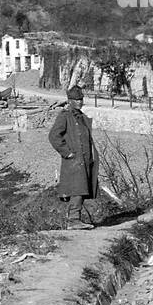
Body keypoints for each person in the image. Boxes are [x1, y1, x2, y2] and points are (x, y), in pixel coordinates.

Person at [49, 85, 99, 228]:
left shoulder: (81, 117)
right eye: (76, 99)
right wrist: (67, 152)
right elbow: (54, 136)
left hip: (84, 159)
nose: (80, 102)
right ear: (70, 101)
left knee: (83, 189)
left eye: (81, 99)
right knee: (77, 188)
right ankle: (73, 220)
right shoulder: (64, 116)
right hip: (74, 160)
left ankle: (75, 219)